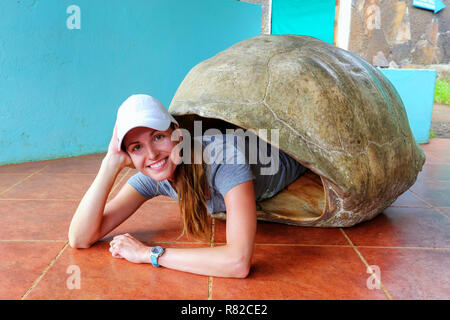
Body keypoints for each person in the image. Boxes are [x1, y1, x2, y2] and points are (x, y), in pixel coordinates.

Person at [68, 94, 307, 278]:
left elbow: (237, 263)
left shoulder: (225, 158)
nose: (151, 154)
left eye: (158, 137)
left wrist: (148, 253)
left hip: (288, 154)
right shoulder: (153, 176)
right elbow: (80, 238)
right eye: (136, 147)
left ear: (178, 135)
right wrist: (109, 165)